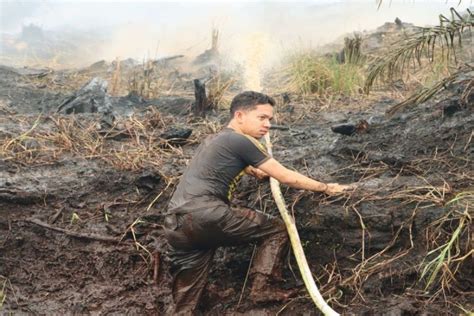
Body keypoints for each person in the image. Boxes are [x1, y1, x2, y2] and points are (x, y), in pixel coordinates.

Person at [164, 91, 353, 315]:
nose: (267, 125)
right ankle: (262, 289)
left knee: (186, 301)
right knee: (278, 229)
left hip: (176, 225)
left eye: (270, 120)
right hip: (207, 214)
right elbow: (285, 176)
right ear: (240, 115)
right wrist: (326, 187)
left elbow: (229, 166)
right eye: (262, 118)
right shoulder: (241, 140)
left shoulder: (214, 139)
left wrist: (253, 170)